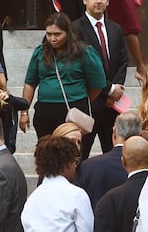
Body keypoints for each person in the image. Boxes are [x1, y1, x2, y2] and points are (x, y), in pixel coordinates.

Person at [20, 13, 105, 141]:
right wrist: (24, 112)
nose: (52, 39)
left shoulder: (84, 52)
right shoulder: (40, 52)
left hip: (73, 108)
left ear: (68, 32)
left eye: (57, 34)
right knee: (47, 152)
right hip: (45, 110)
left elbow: (97, 85)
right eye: (49, 34)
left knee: (72, 152)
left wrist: (80, 99)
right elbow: (30, 83)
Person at [74, 0, 130, 154]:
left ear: (108, 1)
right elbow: (80, 67)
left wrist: (116, 91)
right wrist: (108, 89)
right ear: (85, 0)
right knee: (80, 156)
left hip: (111, 108)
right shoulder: (75, 29)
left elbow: (123, 61)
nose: (98, 0)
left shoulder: (116, 29)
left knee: (113, 156)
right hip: (88, 104)